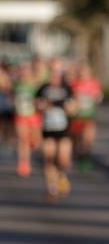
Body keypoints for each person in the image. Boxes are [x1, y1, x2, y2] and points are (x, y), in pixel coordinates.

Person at [35, 59, 77, 201]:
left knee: (63, 159)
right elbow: (36, 105)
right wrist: (41, 106)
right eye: (53, 71)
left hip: (63, 129)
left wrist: (69, 108)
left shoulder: (67, 88)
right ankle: (52, 187)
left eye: (58, 71)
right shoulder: (43, 88)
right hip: (48, 128)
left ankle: (62, 176)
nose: (55, 74)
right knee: (48, 158)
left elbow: (74, 108)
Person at [69, 61, 103, 171]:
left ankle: (85, 159)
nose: (84, 74)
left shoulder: (94, 83)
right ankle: (78, 156)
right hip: (76, 118)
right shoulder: (74, 84)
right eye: (82, 72)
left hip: (88, 118)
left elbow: (99, 97)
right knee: (77, 142)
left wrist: (96, 97)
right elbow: (69, 99)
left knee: (88, 141)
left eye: (86, 72)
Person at [13, 60, 42, 178]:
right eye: (22, 70)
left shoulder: (35, 84)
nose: (24, 73)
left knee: (35, 142)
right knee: (22, 140)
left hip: (34, 116)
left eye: (27, 70)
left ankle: (29, 150)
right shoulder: (16, 84)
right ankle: (23, 163)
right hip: (21, 116)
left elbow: (41, 96)